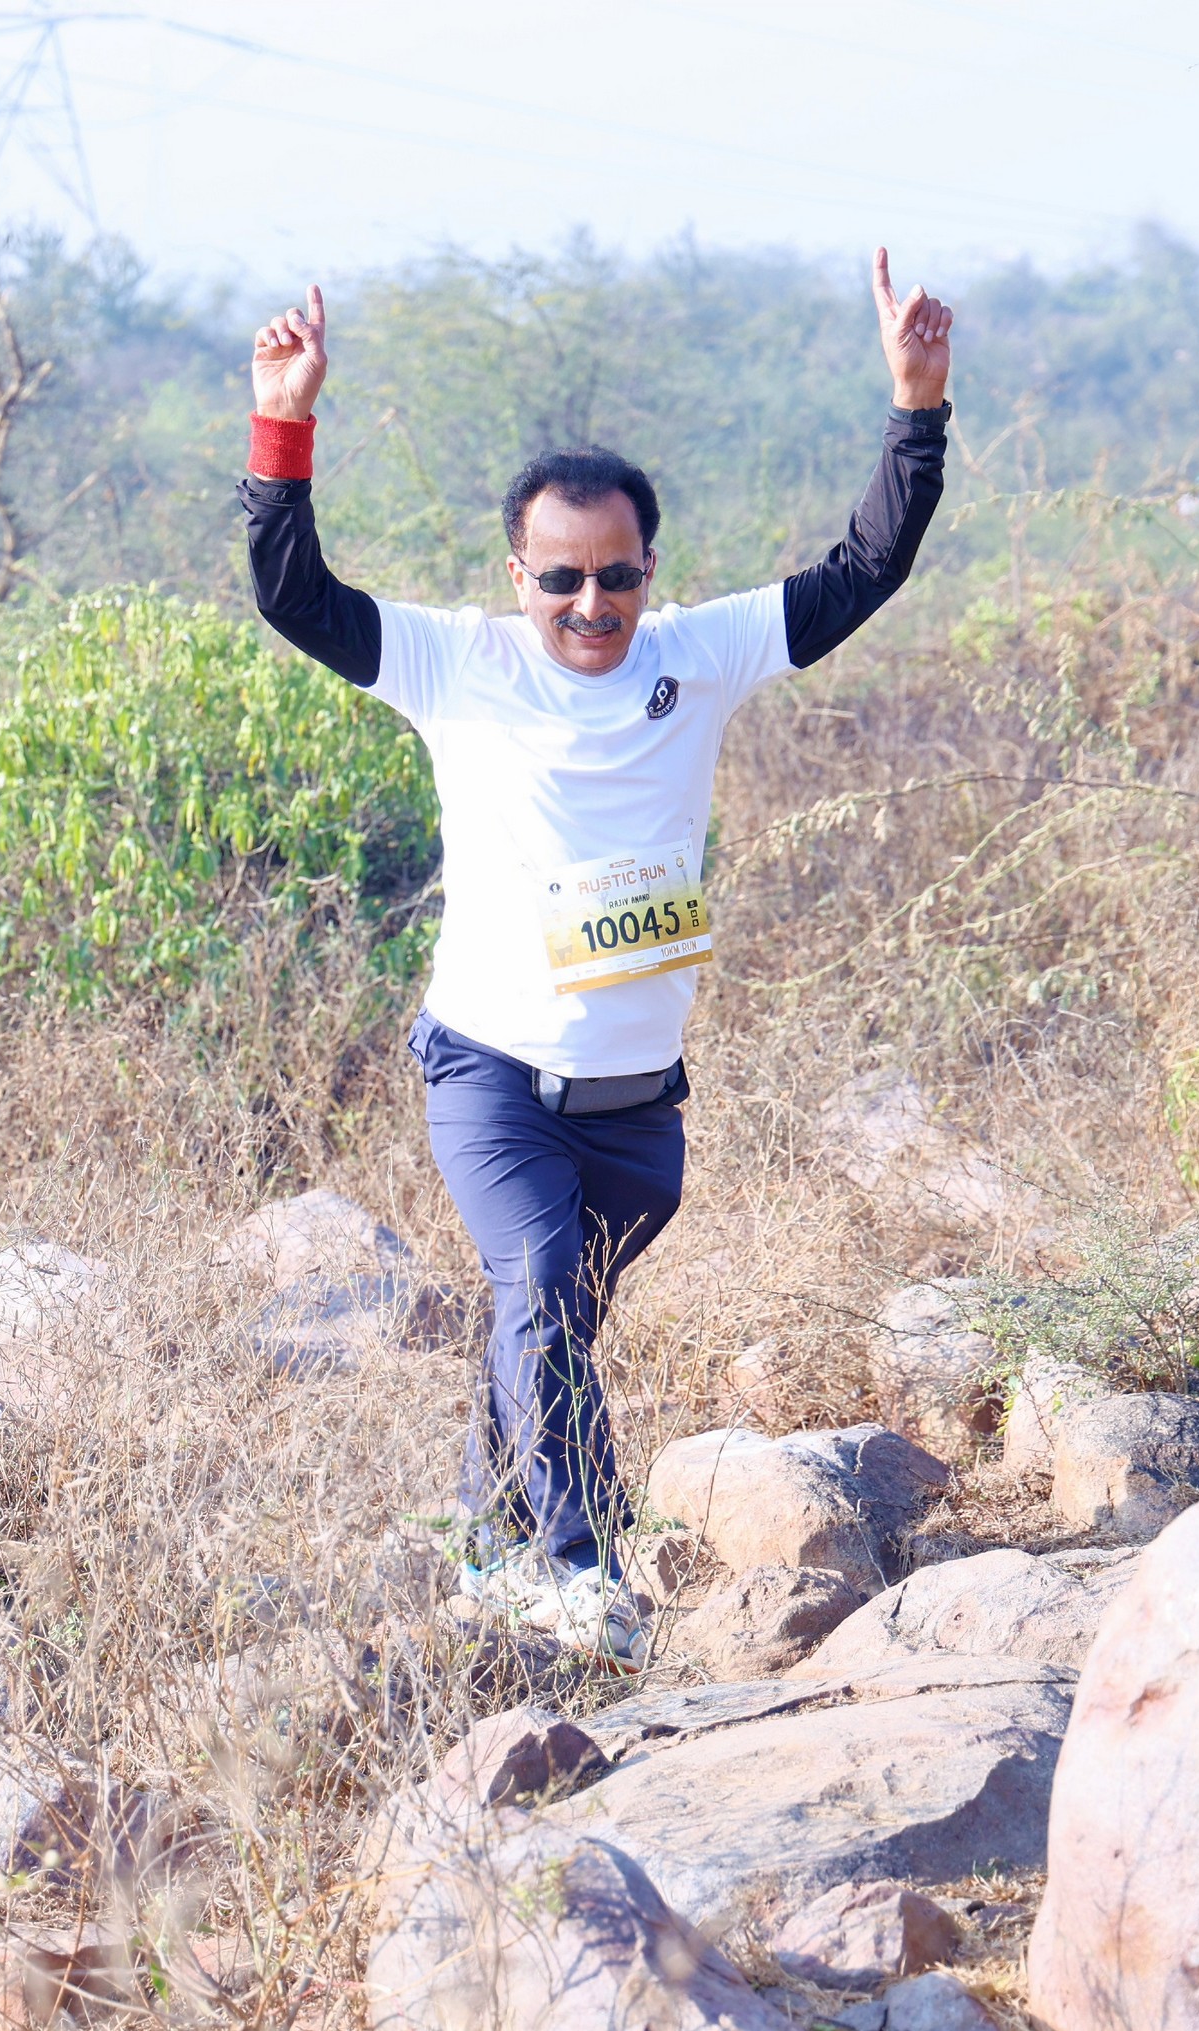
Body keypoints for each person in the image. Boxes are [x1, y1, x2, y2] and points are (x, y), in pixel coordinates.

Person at [240, 248, 954, 1664]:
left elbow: (866, 566)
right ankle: (579, 1565)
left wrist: (914, 407)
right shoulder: (457, 663)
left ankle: (487, 1542)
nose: (588, 605)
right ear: (516, 575)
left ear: (648, 570)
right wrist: (283, 421)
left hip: (639, 1109)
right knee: (538, 1292)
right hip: (491, 1074)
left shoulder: (699, 653)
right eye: (559, 578)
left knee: (547, 1319)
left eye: (613, 576)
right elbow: (290, 594)